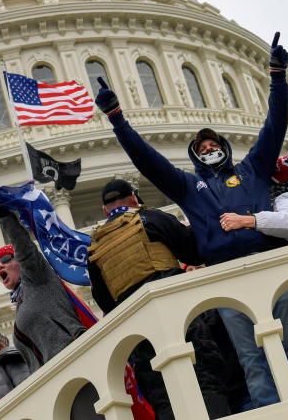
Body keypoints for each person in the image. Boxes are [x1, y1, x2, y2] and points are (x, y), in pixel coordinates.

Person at [95, 32, 288, 408]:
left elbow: (274, 126)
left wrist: (278, 77)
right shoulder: (188, 187)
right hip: (225, 277)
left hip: (269, 264)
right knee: (252, 359)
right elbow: (148, 161)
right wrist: (118, 120)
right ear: (195, 157)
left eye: (214, 145)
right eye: (202, 149)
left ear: (225, 149)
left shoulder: (253, 171)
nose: (210, 149)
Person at [87, 178, 232, 418]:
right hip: (177, 314)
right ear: (134, 198)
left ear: (105, 210)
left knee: (162, 393)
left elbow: (103, 300)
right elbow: (192, 252)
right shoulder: (149, 218)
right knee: (204, 376)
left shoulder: (95, 245)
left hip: (139, 331)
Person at [0, 189, 87, 372]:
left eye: (5, 261)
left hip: (75, 354)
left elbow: (25, 248)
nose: (0, 268)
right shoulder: (21, 302)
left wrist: (5, 217)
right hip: (54, 374)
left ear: (19, 263)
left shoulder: (36, 278)